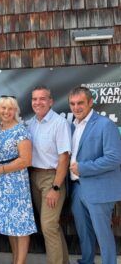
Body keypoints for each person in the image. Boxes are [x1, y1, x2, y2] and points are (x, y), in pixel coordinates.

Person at [68, 86, 121, 264]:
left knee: (103, 235)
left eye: (80, 103)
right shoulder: (72, 126)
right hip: (77, 188)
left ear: (90, 103)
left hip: (99, 188)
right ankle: (87, 261)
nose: (76, 107)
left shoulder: (105, 124)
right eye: (72, 104)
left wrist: (84, 168)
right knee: (84, 232)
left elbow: (114, 158)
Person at [0, 96, 36, 264]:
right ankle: (15, 260)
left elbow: (26, 160)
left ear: (15, 111)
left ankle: (20, 262)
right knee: (9, 224)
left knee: (21, 225)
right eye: (3, 108)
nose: (6, 112)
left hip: (16, 182)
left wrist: (1, 169)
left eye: (10, 108)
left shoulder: (21, 130)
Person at [26, 86, 71, 264]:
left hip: (52, 178)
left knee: (48, 226)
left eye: (42, 99)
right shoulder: (30, 123)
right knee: (51, 227)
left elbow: (64, 158)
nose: (38, 102)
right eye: (34, 99)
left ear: (51, 101)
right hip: (34, 178)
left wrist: (56, 187)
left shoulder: (59, 123)